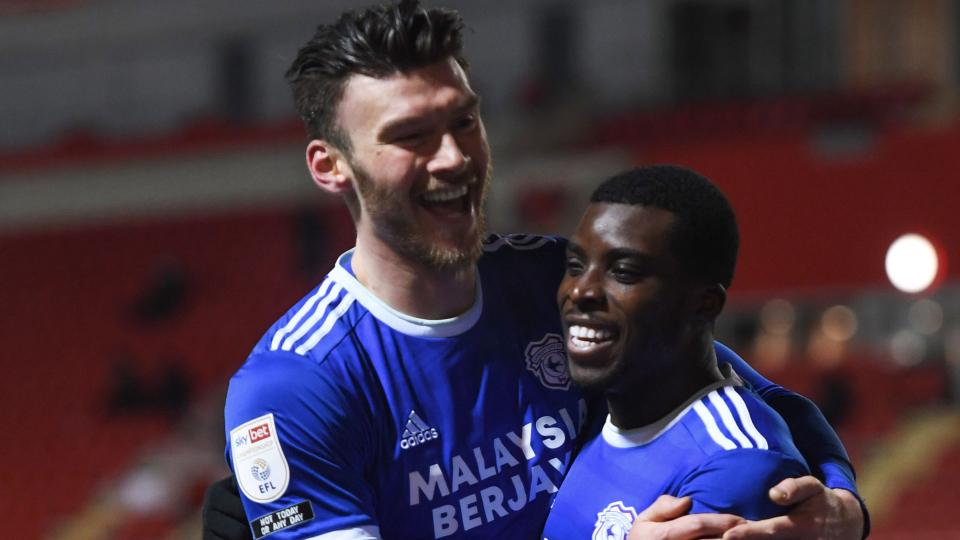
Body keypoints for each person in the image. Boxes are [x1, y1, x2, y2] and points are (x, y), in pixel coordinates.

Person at [207, 1, 866, 539]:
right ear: (330, 166)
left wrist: (842, 507)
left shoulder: (556, 279)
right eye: (411, 137)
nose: (452, 158)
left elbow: (745, 394)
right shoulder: (297, 384)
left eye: (464, 121)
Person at [541, 166, 812, 539]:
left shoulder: (735, 466)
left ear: (703, 304)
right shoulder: (593, 411)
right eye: (575, 266)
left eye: (624, 272)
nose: (580, 291)